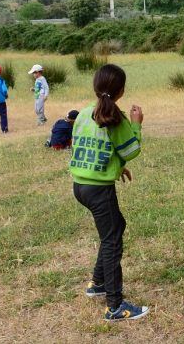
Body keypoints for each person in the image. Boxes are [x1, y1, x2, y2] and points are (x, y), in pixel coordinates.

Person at [71, 64, 150, 322]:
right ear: (122, 91)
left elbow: (96, 148)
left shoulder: (83, 114)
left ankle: (98, 284)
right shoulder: (115, 118)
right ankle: (115, 306)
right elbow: (131, 150)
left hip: (80, 186)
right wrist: (137, 124)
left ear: (96, 87)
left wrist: (117, 168)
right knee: (112, 240)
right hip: (99, 190)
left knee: (115, 228)